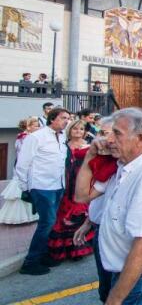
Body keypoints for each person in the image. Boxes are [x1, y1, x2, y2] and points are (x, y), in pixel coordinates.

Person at [74, 108, 142, 305]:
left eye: (117, 133)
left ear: (139, 138)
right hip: (125, 272)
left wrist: (115, 299)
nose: (109, 139)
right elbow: (82, 196)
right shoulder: (122, 164)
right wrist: (90, 157)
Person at [15, 108, 70, 275]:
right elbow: (23, 163)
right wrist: (25, 187)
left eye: (68, 118)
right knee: (46, 223)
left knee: (50, 223)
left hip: (57, 186)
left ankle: (44, 255)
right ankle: (30, 262)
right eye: (63, 118)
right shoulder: (35, 137)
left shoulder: (62, 137)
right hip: (41, 186)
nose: (66, 121)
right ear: (52, 119)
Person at [73, 117, 116, 303]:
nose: (100, 140)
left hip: (116, 235)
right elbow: (86, 197)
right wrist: (88, 222)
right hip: (101, 229)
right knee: (106, 286)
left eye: (106, 134)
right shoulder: (105, 165)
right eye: (99, 133)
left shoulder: (126, 166)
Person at [47, 120, 94, 261]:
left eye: (81, 129)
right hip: (65, 182)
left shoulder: (89, 146)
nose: (78, 131)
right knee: (63, 214)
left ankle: (78, 248)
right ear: (70, 130)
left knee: (79, 211)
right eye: (75, 129)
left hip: (82, 181)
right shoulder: (62, 146)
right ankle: (63, 249)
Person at [0, 117, 40, 225]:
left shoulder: (24, 137)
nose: (38, 128)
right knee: (21, 191)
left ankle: (30, 214)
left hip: (25, 165)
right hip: (25, 167)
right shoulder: (26, 137)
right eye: (36, 126)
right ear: (29, 127)